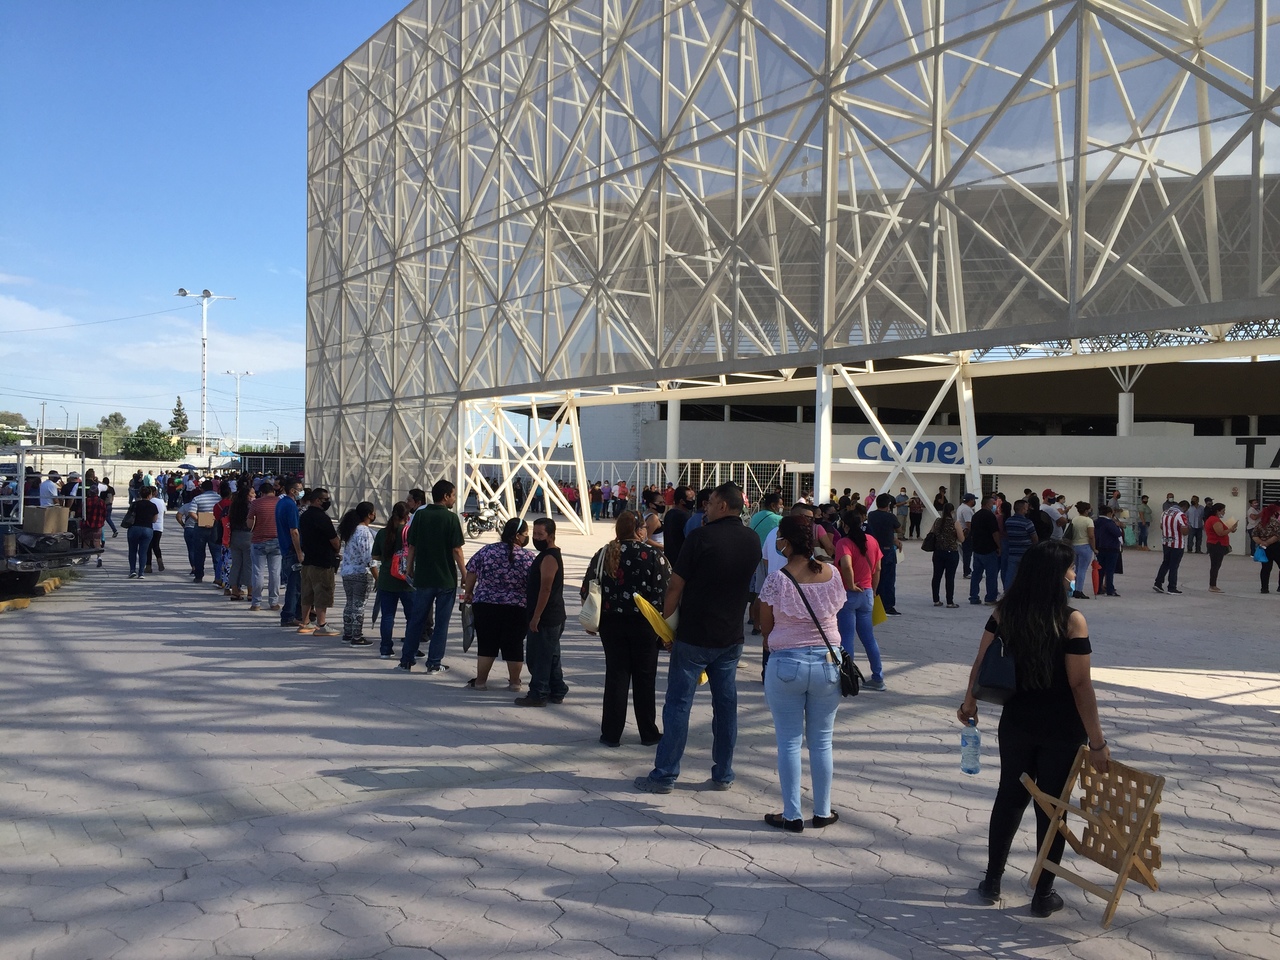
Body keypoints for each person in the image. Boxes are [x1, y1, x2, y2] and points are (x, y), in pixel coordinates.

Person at [957, 540, 1108, 917]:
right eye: (1071, 570)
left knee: (1009, 796)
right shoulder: (1072, 620)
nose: (1074, 576)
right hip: (1061, 728)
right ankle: (1043, 893)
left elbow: (981, 660)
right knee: (1053, 808)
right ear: (1056, 575)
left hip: (1018, 721)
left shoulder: (1006, 613)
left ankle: (992, 880)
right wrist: (1097, 741)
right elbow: (1080, 684)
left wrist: (970, 702)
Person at [635, 481, 761, 794]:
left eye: (711, 501)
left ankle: (664, 774)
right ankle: (723, 773)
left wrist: (666, 625)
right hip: (731, 636)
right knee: (726, 705)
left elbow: (675, 586)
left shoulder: (700, 537)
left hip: (694, 635)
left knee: (678, 705)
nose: (705, 506)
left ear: (723, 506)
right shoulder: (752, 539)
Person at [757, 515, 844, 833]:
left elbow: (766, 628)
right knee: (822, 743)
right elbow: (836, 613)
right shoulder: (832, 574)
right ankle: (822, 811)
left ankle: (792, 814)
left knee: (789, 743)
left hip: (786, 664)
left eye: (780, 537)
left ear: (787, 542)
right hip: (828, 664)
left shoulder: (777, 580)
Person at [594, 511, 666, 747]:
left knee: (616, 676)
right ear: (638, 530)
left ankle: (611, 734)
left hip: (610, 624)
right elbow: (666, 589)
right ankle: (648, 732)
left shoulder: (604, 553)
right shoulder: (652, 555)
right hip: (645, 624)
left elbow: (589, 586)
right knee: (645, 678)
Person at [400, 479, 466, 674]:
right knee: (441, 623)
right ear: (445, 496)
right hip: (445, 578)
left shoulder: (420, 516)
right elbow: (456, 549)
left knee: (417, 620)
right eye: (453, 495)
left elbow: (412, 545)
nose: (454, 499)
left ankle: (406, 660)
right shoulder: (451, 518)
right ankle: (434, 663)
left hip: (424, 577)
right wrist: (464, 573)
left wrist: (410, 568)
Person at [462, 517, 534, 690]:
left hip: (486, 604)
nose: (526, 537)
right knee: (514, 645)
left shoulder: (487, 551)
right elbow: (533, 582)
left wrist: (469, 593)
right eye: (525, 534)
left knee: (487, 644)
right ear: (518, 536)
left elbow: (471, 571)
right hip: (517, 607)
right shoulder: (528, 556)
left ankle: (480, 682)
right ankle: (515, 683)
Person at [516, 517, 569, 706]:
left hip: (547, 616)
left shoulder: (549, 557)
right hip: (552, 615)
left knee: (539, 657)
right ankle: (557, 688)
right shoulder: (547, 555)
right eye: (534, 533)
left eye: (540, 534)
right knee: (551, 654)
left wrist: (536, 617)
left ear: (551, 536)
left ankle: (538, 692)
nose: (536, 538)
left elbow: (545, 589)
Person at [833, 507, 886, 691]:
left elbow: (846, 566)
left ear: (845, 525)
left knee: (846, 637)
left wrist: (850, 584)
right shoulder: (872, 540)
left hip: (849, 594)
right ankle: (878, 677)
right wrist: (873, 588)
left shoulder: (843, 542)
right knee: (869, 638)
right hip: (867, 593)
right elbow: (878, 569)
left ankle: (849, 678)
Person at [372, 501, 414, 660]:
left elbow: (375, 556)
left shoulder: (383, 533)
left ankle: (385, 649)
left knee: (388, 616)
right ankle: (411, 649)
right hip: (406, 580)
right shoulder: (410, 532)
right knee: (412, 617)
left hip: (386, 578)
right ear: (407, 515)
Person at [297, 488, 341, 636]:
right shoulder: (322, 517)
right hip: (323, 561)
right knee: (323, 593)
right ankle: (321, 625)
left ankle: (305, 622)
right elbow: (334, 540)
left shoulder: (304, 516)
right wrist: (337, 550)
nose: (327, 502)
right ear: (317, 500)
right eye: (325, 499)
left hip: (308, 560)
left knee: (307, 593)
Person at [337, 501, 378, 645]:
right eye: (373, 512)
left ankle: (347, 634)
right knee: (359, 605)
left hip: (347, 572)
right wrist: (376, 576)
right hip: (361, 573)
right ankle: (357, 636)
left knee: (350, 603)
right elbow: (369, 558)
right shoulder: (364, 532)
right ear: (369, 514)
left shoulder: (352, 530)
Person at [177, 480, 221, 583]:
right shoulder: (219, 498)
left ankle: (199, 576)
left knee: (199, 553)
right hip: (215, 526)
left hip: (200, 527)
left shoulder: (197, 498)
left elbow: (192, 512)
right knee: (216, 553)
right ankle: (218, 577)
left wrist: (200, 520)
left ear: (202, 488)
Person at [865, 493, 902, 616]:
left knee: (875, 577)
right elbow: (899, 530)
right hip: (887, 549)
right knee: (888, 579)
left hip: (874, 548)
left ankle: (875, 604)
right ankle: (888, 606)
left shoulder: (871, 515)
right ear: (888, 505)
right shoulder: (890, 517)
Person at [248, 481, 282, 611]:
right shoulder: (279, 502)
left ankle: (256, 603)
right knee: (275, 573)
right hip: (277, 540)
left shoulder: (256, 503)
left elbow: (249, 523)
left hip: (258, 541)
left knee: (258, 572)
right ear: (273, 491)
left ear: (261, 493)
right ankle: (274, 602)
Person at [276, 477, 304, 628]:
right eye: (300, 489)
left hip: (285, 547)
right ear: (293, 490)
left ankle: (295, 613)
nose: (302, 492)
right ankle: (289, 615)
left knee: (294, 583)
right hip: (292, 549)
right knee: (294, 585)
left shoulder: (281, 503)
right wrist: (299, 551)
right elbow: (294, 531)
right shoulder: (290, 505)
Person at [929, 501, 965, 608]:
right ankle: (950, 601)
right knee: (950, 578)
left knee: (936, 576)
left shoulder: (937, 521)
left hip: (938, 552)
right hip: (951, 553)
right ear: (952, 511)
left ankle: (936, 600)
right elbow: (961, 539)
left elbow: (932, 533)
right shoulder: (955, 523)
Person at [968, 496, 1002, 605]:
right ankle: (990, 598)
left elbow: (972, 532)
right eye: (992, 503)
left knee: (976, 574)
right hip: (989, 549)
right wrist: (999, 546)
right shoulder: (990, 516)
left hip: (977, 549)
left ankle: (973, 597)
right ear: (987, 504)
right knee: (991, 575)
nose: (994, 506)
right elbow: (995, 533)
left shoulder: (975, 516)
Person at [225, 485, 255, 601]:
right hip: (248, 536)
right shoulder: (251, 506)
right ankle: (250, 592)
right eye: (252, 493)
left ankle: (235, 591)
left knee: (236, 565)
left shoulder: (233, 506)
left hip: (235, 536)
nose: (255, 495)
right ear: (248, 495)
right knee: (249, 565)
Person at [1154, 500, 1189, 595]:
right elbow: (1184, 531)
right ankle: (1172, 587)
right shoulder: (1180, 515)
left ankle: (1158, 583)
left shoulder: (1165, 512)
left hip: (1166, 541)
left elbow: (1161, 526)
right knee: (1174, 565)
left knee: (1165, 563)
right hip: (1177, 543)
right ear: (1185, 507)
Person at [125, 486, 160, 579]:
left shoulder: (134, 504)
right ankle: (141, 573)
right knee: (143, 552)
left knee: (132, 550)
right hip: (147, 529)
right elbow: (154, 520)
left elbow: (129, 515)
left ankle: (132, 570)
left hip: (134, 528)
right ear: (150, 495)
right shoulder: (153, 506)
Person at [1003, 499, 1039, 587]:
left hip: (1012, 553)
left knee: (1010, 575)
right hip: (1025, 553)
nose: (1027, 510)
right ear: (1022, 509)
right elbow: (1035, 538)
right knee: (1025, 576)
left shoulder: (1008, 521)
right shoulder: (1027, 523)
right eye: (1026, 508)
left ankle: (1007, 593)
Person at [1064, 501, 1095, 599]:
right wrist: (1094, 548)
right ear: (1086, 510)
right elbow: (1091, 536)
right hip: (1085, 546)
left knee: (1075, 569)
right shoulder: (1088, 521)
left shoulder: (1074, 519)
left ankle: (1072, 589)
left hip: (1074, 546)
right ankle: (1079, 590)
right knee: (1082, 570)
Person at [1204, 502, 1237, 594]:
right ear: (1218, 511)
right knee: (1215, 565)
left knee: (1216, 565)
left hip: (1216, 544)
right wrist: (1230, 529)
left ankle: (1213, 584)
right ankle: (1212, 585)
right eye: (1223, 511)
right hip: (1216, 544)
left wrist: (1231, 529)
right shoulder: (1214, 520)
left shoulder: (1215, 519)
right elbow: (1220, 533)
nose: (1224, 512)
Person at [1093, 504, 1123, 597]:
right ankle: (1110, 589)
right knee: (1110, 570)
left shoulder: (1096, 522)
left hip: (1099, 547)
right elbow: (1117, 533)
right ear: (1109, 513)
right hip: (1111, 548)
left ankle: (1098, 588)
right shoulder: (1109, 523)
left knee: (1100, 569)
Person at [662, 485, 694, 565]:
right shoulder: (684, 516)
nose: (692, 501)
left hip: (669, 558)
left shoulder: (669, 514)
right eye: (690, 499)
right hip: (681, 560)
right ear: (682, 501)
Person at [1253, 503, 1280, 593]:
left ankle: (1264, 588)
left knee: (1266, 568)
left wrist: (1262, 543)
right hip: (1275, 547)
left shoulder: (1261, 522)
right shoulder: (1275, 522)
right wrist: (1268, 542)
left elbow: (1254, 535)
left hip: (1264, 548)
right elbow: (1277, 535)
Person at [145, 484, 167, 574]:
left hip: (150, 526)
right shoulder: (161, 501)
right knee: (156, 545)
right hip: (159, 527)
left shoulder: (148, 502)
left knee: (148, 547)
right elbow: (164, 512)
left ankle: (148, 566)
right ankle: (159, 559)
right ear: (155, 492)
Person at [957, 493, 976, 578]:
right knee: (967, 554)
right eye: (973, 500)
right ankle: (967, 571)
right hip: (967, 533)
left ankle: (968, 570)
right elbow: (968, 523)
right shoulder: (966, 510)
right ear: (971, 500)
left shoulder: (961, 507)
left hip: (963, 532)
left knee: (966, 553)